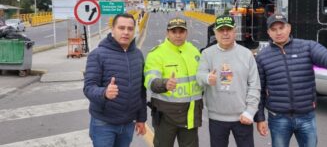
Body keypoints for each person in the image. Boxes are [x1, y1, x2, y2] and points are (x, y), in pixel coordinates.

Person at [254, 13, 327, 147]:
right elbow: (258, 90)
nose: (278, 32)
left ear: (289, 28)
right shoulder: (262, 57)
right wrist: (260, 118)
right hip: (278, 118)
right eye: (274, 29)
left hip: (306, 116)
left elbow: (326, 59)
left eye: (281, 28)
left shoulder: (307, 47)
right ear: (268, 33)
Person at [196, 15, 261, 147]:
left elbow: (255, 85)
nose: (225, 33)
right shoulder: (207, 54)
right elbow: (199, 75)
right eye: (221, 30)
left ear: (235, 31)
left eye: (228, 29)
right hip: (217, 118)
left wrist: (250, 111)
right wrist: (207, 78)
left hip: (242, 117)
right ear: (215, 32)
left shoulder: (246, 54)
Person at [83, 13, 146, 147]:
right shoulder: (98, 54)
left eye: (130, 29)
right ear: (113, 30)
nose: (126, 32)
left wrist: (141, 119)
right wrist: (104, 92)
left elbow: (140, 90)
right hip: (104, 123)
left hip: (128, 123)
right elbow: (89, 88)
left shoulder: (138, 55)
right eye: (121, 28)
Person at [144, 17, 203, 147]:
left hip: (190, 115)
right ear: (167, 33)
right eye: (173, 31)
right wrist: (164, 84)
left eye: (181, 31)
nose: (178, 35)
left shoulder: (194, 51)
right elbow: (150, 80)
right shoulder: (156, 54)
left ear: (186, 33)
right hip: (166, 117)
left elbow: (201, 77)